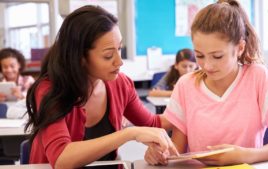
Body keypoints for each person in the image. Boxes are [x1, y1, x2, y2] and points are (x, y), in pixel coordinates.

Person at [144, 0, 268, 166]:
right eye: (200, 56)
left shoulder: (257, 77)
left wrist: (248, 155)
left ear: (239, 48)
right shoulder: (186, 85)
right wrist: (160, 153)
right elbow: (176, 150)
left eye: (217, 56)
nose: (207, 66)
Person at [25, 5, 178, 169]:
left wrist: (192, 99)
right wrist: (129, 134)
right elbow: (62, 158)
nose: (119, 62)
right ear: (80, 57)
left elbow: (153, 123)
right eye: (108, 55)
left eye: (119, 49)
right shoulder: (50, 89)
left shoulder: (120, 83)